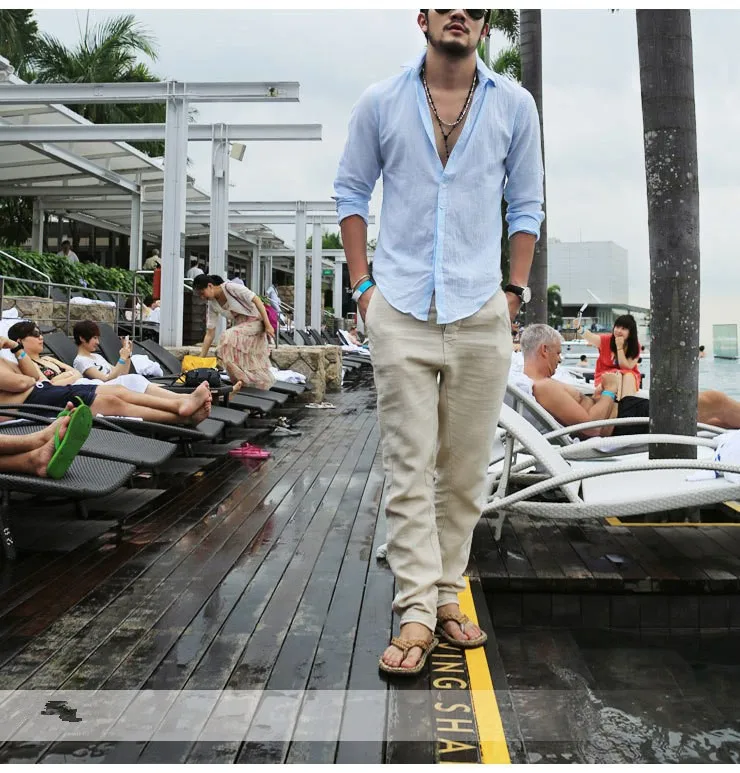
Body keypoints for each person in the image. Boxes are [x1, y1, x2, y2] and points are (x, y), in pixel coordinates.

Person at [334, 9, 544, 674]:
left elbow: (527, 204)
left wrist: (513, 294)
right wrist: (364, 289)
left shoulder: (515, 106)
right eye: (448, 3)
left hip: (481, 309)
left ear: (484, 23)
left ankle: (448, 592)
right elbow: (350, 191)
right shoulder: (381, 102)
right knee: (408, 465)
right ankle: (417, 610)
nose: (461, 13)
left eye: (476, 7)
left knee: (465, 470)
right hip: (399, 307)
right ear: (422, 16)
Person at [520, 324, 740, 437]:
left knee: (712, 421)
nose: (560, 359)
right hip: (626, 420)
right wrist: (610, 390)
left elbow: (584, 416)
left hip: (627, 415)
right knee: (715, 401)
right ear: (544, 350)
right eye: (558, 353)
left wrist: (598, 397)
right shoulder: (544, 386)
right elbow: (591, 428)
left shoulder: (541, 384)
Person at [0, 332, 213, 425]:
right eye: (94, 337)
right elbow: (22, 382)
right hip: (32, 404)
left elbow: (32, 377)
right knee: (111, 402)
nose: (41, 338)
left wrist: (15, 348)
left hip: (41, 394)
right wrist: (29, 380)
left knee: (119, 392)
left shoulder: (17, 359)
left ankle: (181, 403)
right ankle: (183, 415)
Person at [193, 274, 276, 390]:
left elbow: (256, 300)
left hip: (256, 321)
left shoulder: (230, 287)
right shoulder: (212, 304)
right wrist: (201, 358)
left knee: (227, 336)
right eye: (199, 295)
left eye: (202, 293)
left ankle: (244, 381)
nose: (202, 297)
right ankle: (241, 382)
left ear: (210, 286)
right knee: (239, 359)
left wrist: (268, 325)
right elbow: (210, 332)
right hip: (241, 326)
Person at [572, 314, 641, 391]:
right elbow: (591, 337)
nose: (619, 331)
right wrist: (579, 328)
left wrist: (619, 348)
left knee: (627, 376)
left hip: (627, 378)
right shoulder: (606, 340)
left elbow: (626, 368)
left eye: (623, 328)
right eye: (617, 327)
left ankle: (625, 398)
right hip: (606, 376)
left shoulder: (635, 346)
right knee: (616, 378)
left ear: (631, 332)